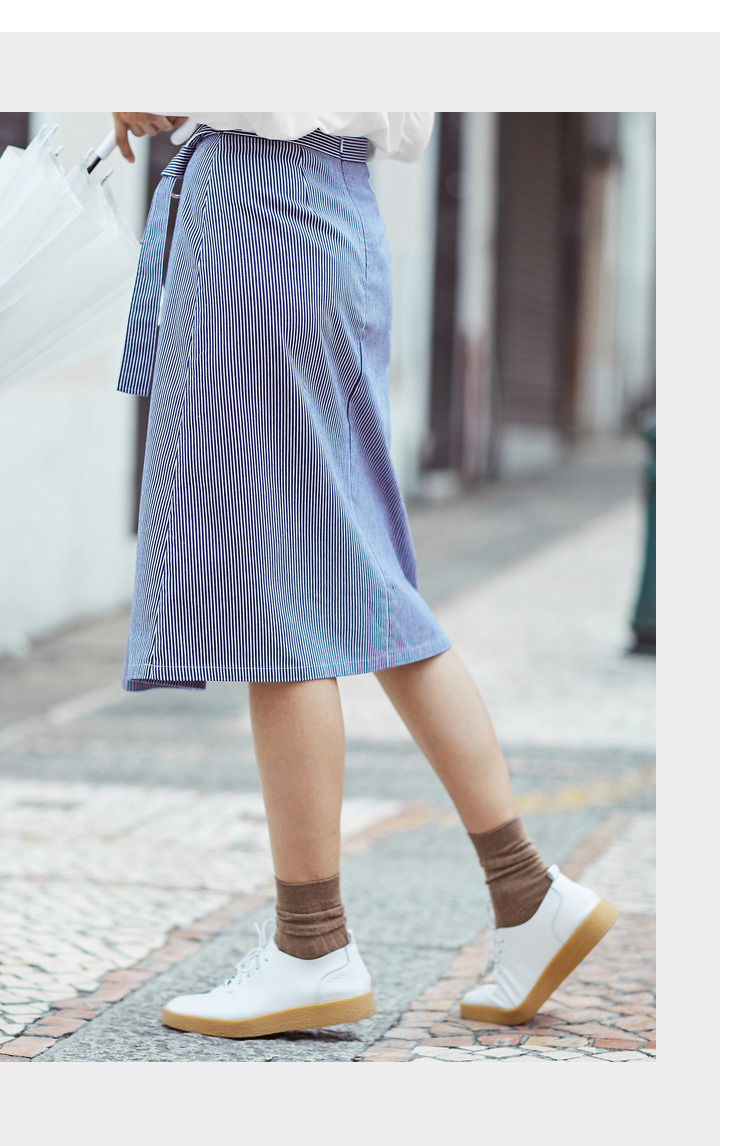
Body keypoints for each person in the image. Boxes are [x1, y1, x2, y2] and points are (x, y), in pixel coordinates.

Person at [111, 111, 619, 1041]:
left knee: (279, 595)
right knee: (363, 581)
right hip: (332, 211)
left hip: (261, 216)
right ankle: (526, 890)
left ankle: (311, 948)